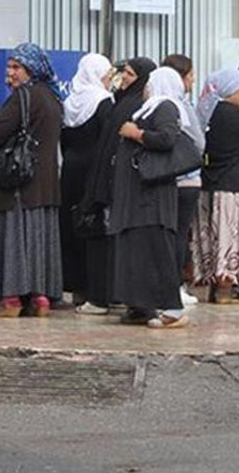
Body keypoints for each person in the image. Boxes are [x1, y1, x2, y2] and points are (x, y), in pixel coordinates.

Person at [0, 43, 64, 318]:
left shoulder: (21, 98)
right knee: (38, 241)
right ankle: (39, 298)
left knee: (13, 238)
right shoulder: (52, 98)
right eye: (9, 67)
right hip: (45, 185)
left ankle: (11, 299)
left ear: (32, 69)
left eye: (17, 67)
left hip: (17, 183)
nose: (10, 73)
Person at [110, 67, 188, 328]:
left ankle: (172, 309)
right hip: (138, 195)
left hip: (152, 197)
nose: (145, 88)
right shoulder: (148, 109)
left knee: (157, 251)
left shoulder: (165, 107)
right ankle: (141, 306)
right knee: (138, 251)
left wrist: (137, 134)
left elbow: (167, 138)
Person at [79, 58, 153, 312]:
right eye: (124, 73)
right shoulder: (124, 102)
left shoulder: (133, 105)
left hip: (118, 184)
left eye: (130, 74)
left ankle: (104, 296)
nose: (123, 79)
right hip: (115, 182)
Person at [194, 68, 239, 302]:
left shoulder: (205, 112)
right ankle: (226, 288)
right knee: (232, 237)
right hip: (238, 186)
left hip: (210, 184)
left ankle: (215, 288)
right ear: (230, 90)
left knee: (213, 235)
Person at [60, 53, 114, 309]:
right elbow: (108, 138)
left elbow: (64, 140)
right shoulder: (103, 101)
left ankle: (75, 285)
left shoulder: (69, 102)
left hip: (70, 169)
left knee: (71, 226)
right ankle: (96, 287)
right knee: (93, 227)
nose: (109, 80)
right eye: (107, 75)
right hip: (94, 171)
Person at [162, 54, 206, 307]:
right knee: (179, 235)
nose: (192, 81)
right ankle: (176, 285)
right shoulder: (181, 105)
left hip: (162, 179)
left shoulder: (151, 105)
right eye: (190, 76)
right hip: (186, 178)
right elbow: (199, 141)